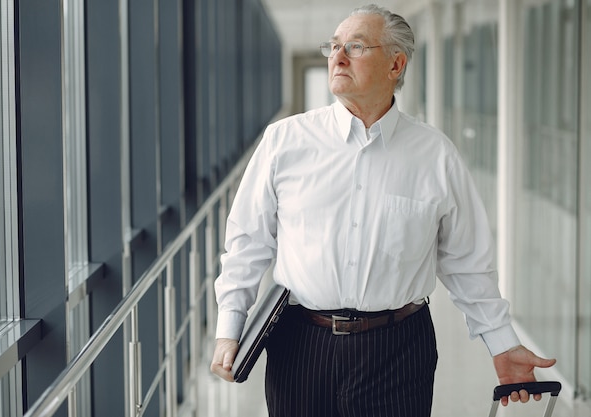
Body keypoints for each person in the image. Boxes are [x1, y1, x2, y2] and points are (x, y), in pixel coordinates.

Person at [211, 4, 556, 416]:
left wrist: (502, 344)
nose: (337, 57)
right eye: (334, 46)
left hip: (399, 351)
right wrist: (229, 328)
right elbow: (248, 243)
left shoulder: (435, 155)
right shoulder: (284, 142)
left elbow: (467, 264)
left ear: (396, 63)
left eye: (355, 46)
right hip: (300, 346)